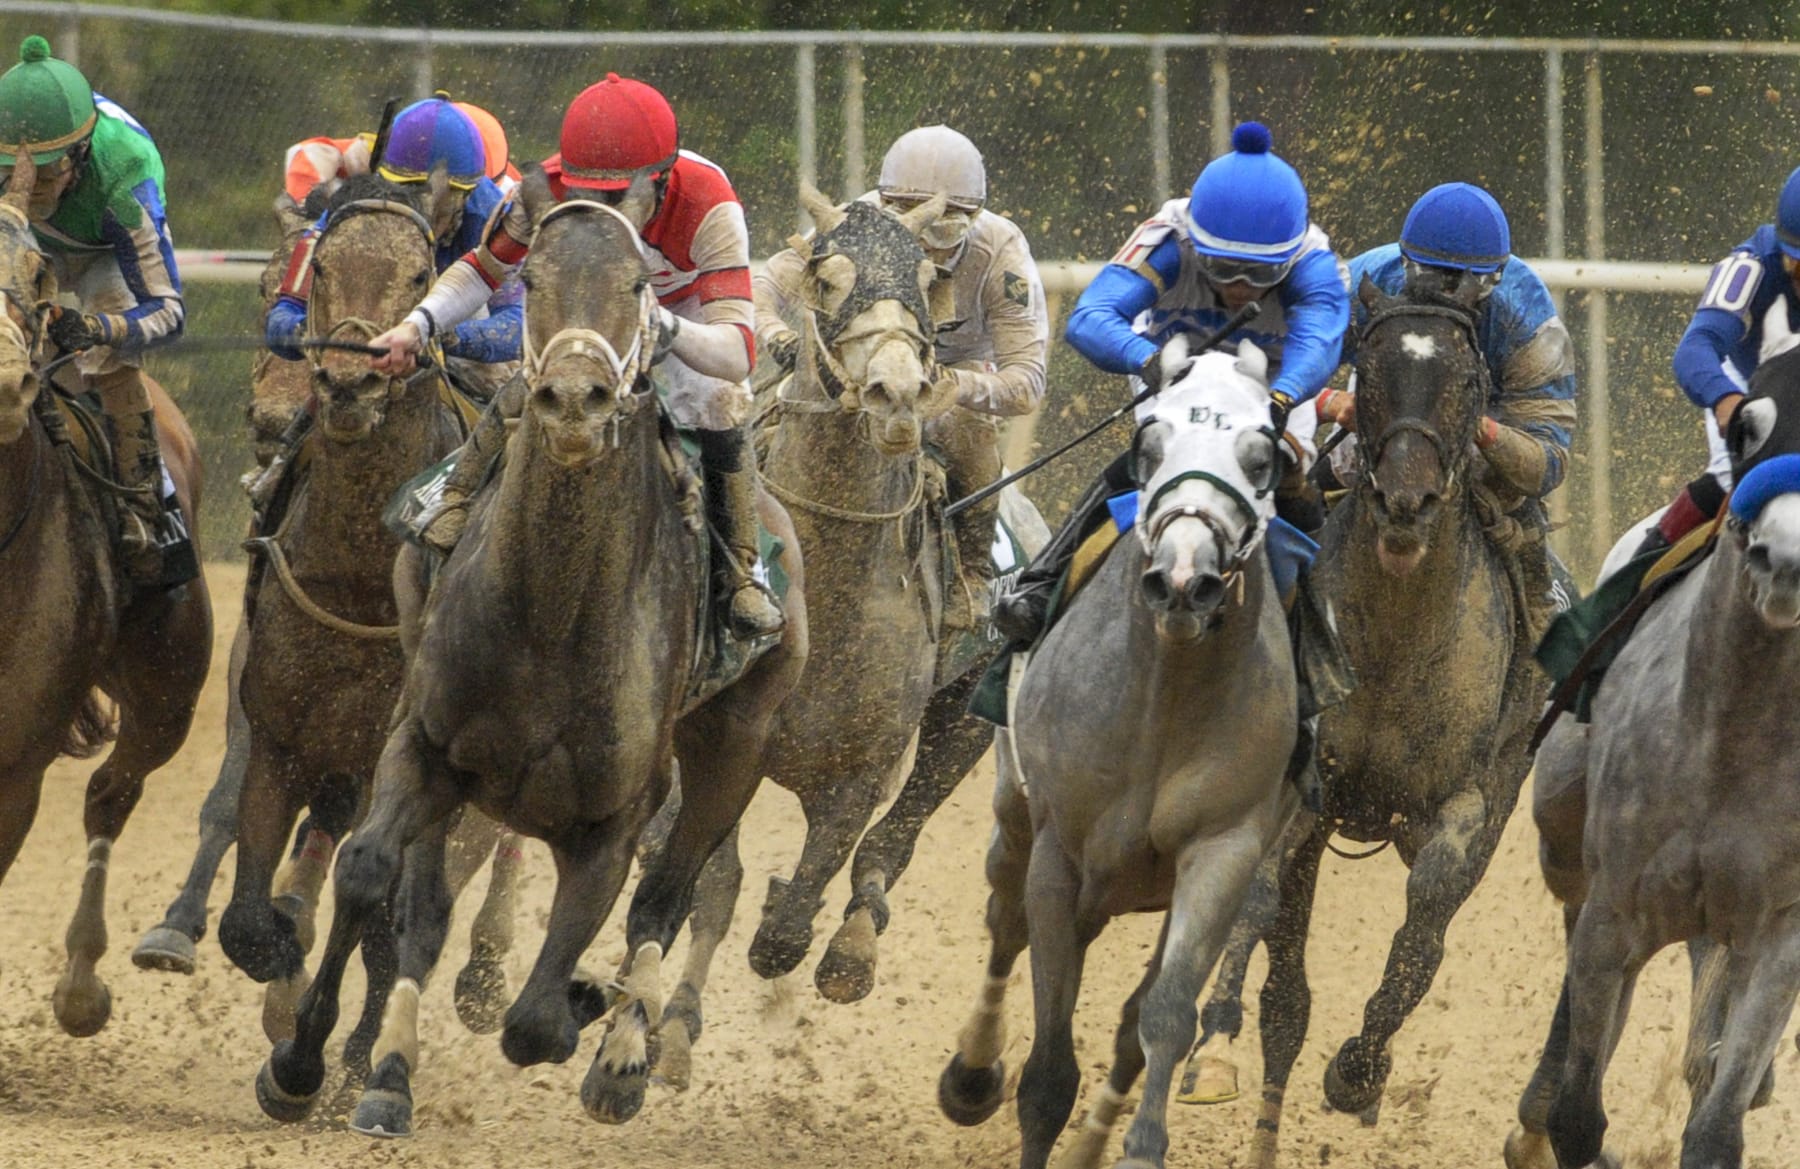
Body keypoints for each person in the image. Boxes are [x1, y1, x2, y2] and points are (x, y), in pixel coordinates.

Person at [368, 73, 783, 639]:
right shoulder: (547, 190)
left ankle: (740, 572)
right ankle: (458, 497)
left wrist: (659, 323)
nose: (601, 204)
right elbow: (483, 272)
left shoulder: (709, 203)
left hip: (679, 308)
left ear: (660, 181)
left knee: (715, 397)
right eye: (587, 188)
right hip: (588, 294)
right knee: (544, 368)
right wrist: (416, 326)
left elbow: (737, 352)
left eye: (618, 196)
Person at [991, 121, 1350, 644]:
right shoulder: (1170, 234)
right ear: (1196, 244)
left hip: (1272, 390)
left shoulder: (1313, 260)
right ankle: (1042, 586)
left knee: (1289, 489)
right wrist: (1147, 360)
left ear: (1288, 258)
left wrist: (1284, 394)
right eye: (1223, 268)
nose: (1239, 286)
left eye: (1259, 275)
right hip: (1176, 376)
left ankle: (1327, 629)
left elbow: (1320, 341)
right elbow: (1090, 317)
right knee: (1147, 469)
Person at [755, 124, 1049, 631]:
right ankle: (741, 560)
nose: (919, 238)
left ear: (972, 219)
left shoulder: (1000, 248)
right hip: (858, 368)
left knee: (967, 430)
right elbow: (764, 286)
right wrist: (779, 338)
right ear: (883, 202)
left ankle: (972, 576)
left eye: (940, 229)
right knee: (748, 413)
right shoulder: (851, 221)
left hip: (948, 375)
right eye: (903, 218)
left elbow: (1026, 381)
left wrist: (958, 386)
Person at [1325, 181, 1577, 638]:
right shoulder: (1356, 285)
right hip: (1385, 415)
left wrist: (1473, 426)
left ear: (1494, 281)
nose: (1445, 293)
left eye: (1463, 284)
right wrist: (1330, 401)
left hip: (1482, 424)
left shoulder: (1530, 325)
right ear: (1405, 265)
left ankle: (1548, 635)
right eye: (1430, 277)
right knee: (1304, 488)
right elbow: (1281, 367)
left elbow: (1548, 462)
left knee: (1513, 508)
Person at [0, 35, 189, 588]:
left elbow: (169, 312)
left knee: (108, 355)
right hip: (15, 238)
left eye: (48, 168)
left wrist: (98, 328)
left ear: (80, 155)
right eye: (11, 166)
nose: (27, 184)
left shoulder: (126, 179)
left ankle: (141, 508)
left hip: (106, 254)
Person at [265, 94, 521, 371]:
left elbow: (519, 326)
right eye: (409, 196)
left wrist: (444, 337)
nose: (425, 218)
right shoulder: (347, 210)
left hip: (452, 334)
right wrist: (313, 331)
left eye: (440, 208)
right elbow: (283, 315)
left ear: (468, 195)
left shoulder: (493, 217)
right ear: (385, 183)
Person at [1632, 165, 1800, 558]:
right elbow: (1695, 349)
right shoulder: (1751, 266)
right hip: (1752, 387)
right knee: (1729, 474)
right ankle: (1634, 580)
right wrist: (1726, 401)